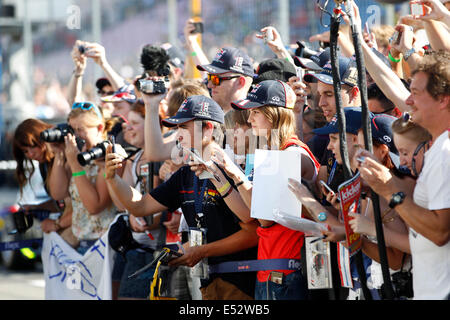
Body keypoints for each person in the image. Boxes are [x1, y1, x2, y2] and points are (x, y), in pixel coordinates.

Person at [105, 95, 259, 300]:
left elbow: (253, 233)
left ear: (208, 129)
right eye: (177, 128)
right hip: (208, 283)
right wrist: (112, 178)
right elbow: (140, 207)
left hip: (241, 283)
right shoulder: (185, 174)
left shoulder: (231, 169)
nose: (177, 135)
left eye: (184, 128)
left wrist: (201, 251)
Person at [204, 80, 320, 300]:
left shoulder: (291, 153)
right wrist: (220, 174)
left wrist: (234, 173)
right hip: (271, 269)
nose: (249, 119)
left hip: (286, 272)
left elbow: (264, 218)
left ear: (274, 114)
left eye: (255, 112)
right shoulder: (273, 154)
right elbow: (253, 215)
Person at [357, 51, 450, 300]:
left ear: (442, 100)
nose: (408, 100)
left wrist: (389, 190)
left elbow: (440, 232)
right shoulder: (437, 149)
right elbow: (390, 84)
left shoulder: (445, 153)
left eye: (416, 93)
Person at [48, 102, 119, 255]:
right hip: (82, 242)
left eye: (80, 130)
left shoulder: (109, 156)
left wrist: (74, 164)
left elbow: (95, 207)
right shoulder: (76, 155)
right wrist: (60, 155)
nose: (75, 136)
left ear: (99, 128)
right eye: (72, 130)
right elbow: (58, 193)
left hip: (104, 245)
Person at [12, 119, 71, 235]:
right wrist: (36, 207)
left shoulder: (66, 155)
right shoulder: (44, 165)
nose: (30, 154)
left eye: (33, 146)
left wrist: (57, 224)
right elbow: (60, 203)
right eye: (25, 151)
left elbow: (77, 205)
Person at [196, 47, 255, 115]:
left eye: (216, 79)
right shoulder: (211, 117)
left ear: (240, 82)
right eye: (210, 77)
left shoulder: (252, 123)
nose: (209, 85)